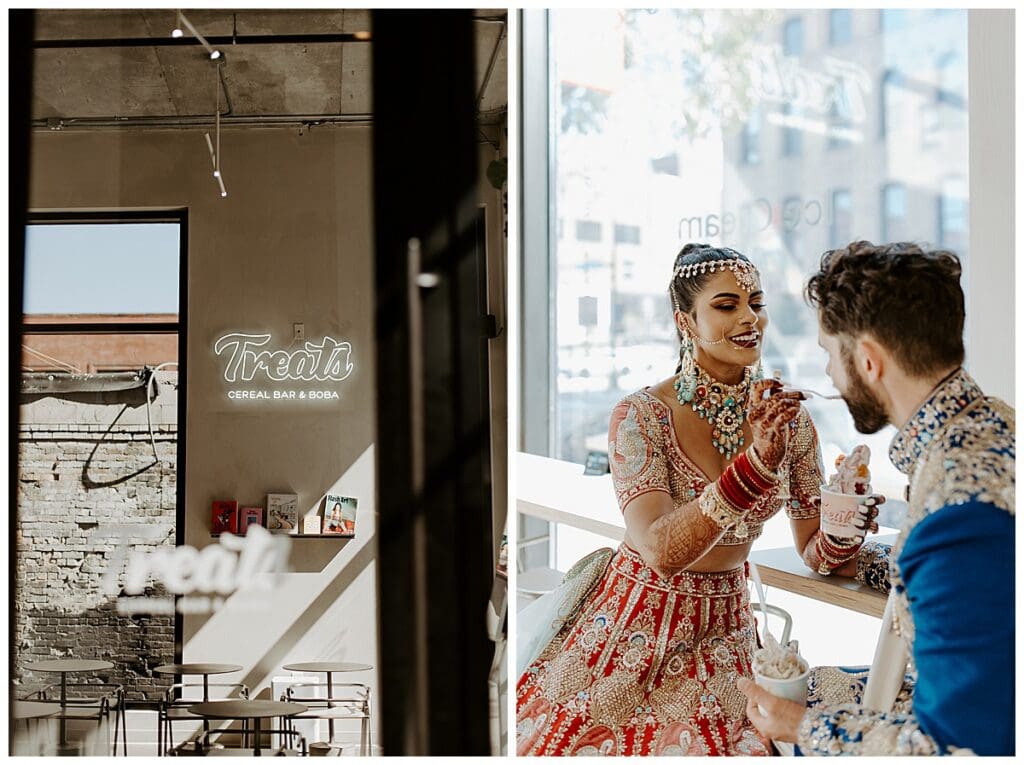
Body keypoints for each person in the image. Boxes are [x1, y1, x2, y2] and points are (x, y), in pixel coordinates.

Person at [517, 244, 882, 756]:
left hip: (727, 637)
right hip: (632, 634)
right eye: (727, 305)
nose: (750, 317)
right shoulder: (641, 416)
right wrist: (753, 468)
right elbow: (661, 550)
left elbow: (815, 553)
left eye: (756, 302)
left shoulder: (787, 420)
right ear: (685, 320)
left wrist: (846, 521)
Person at [738, 241, 1015, 756]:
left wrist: (801, 729)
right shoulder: (992, 421)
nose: (826, 375)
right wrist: (865, 564)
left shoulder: (957, 514)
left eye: (828, 353)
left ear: (868, 360)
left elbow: (957, 746)